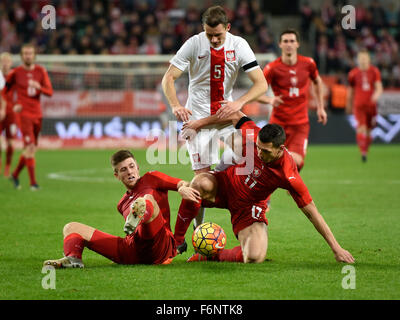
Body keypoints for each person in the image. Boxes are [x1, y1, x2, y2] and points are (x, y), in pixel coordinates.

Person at [174, 112, 355, 264]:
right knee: (198, 184)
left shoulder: (288, 174)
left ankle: (211, 257)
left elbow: (311, 212)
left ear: (280, 149)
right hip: (225, 185)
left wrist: (336, 248)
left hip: (248, 208)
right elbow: (234, 114)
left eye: (266, 151)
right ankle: (176, 241)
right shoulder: (254, 134)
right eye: (258, 148)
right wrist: (199, 123)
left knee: (254, 256)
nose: (259, 154)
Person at [161, 5, 267, 243]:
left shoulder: (239, 45)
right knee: (200, 182)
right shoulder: (193, 44)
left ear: (228, 28)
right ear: (203, 29)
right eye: (209, 35)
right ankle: (200, 234)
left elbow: (261, 84)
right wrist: (176, 105)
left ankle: (251, 203)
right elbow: (168, 77)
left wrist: (237, 103)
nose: (214, 39)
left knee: (248, 152)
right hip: (196, 121)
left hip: (226, 117)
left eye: (218, 35)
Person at [43, 149, 201, 268]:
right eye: (123, 169)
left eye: (131, 166)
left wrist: (181, 187)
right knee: (71, 227)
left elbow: (182, 183)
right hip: (133, 249)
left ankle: (140, 213)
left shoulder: (152, 178)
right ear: (116, 175)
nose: (130, 171)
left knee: (147, 200)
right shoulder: (121, 204)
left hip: (160, 245)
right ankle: (73, 259)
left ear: (138, 167)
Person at [258, 29, 327, 172]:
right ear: (280, 44)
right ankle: (267, 193)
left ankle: (289, 180)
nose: (289, 44)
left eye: (292, 41)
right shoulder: (272, 68)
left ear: (297, 44)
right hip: (278, 124)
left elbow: (317, 82)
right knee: (268, 163)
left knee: (298, 162)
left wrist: (320, 107)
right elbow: (256, 93)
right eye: (285, 41)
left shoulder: (308, 63)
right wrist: (270, 100)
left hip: (300, 124)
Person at [4, 44, 53, 190]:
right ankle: (33, 183)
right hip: (23, 114)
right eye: (25, 53)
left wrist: (39, 87)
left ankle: (15, 174)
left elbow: (49, 92)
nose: (27, 56)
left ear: (34, 56)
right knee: (30, 147)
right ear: (21, 56)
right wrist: (14, 104)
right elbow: (4, 91)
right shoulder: (15, 73)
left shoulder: (41, 71)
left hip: (37, 114)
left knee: (31, 149)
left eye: (30, 53)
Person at [346, 49, 383, 162]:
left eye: (365, 58)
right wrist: (348, 103)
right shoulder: (353, 73)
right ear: (358, 60)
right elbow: (351, 90)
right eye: (361, 58)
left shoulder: (374, 71)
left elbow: (379, 87)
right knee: (361, 128)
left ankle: (365, 150)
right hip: (359, 105)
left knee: (368, 130)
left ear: (368, 59)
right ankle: (363, 152)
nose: (363, 60)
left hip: (371, 106)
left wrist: (376, 95)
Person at [0, 52, 17, 177]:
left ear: (11, 63)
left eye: (7, 61)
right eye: (2, 61)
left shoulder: (15, 76)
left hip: (11, 113)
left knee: (10, 142)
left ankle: (7, 166)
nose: (5, 64)